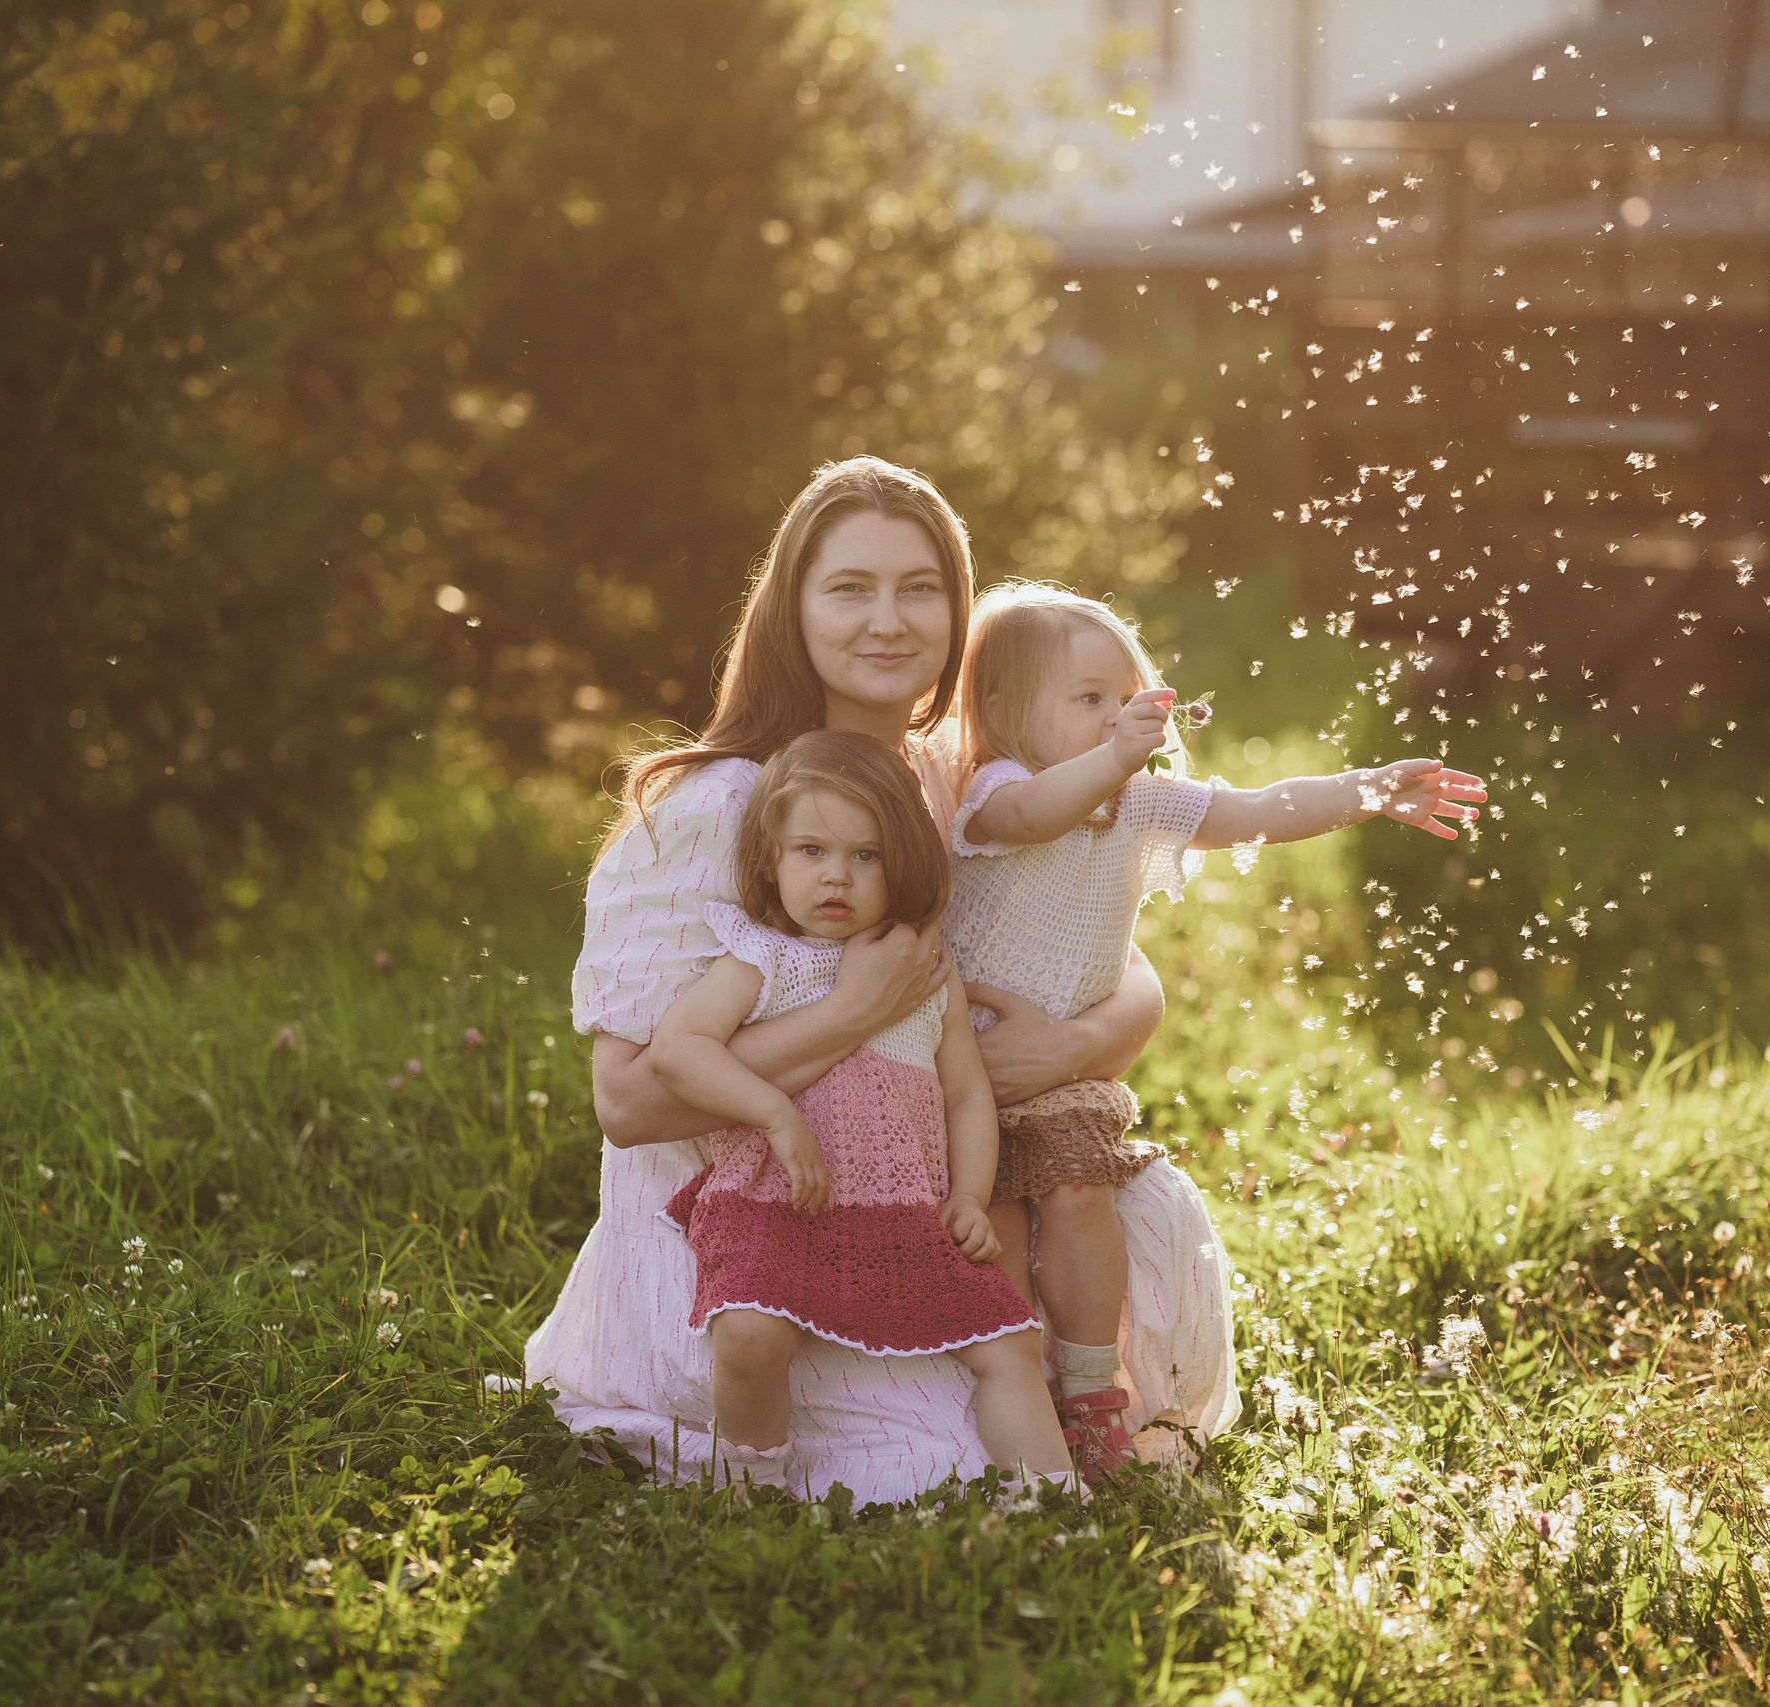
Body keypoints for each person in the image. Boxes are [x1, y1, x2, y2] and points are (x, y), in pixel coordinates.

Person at [523, 457, 1237, 1504]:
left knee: (1145, 1233)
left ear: (957, 606)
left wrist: (1078, 1047)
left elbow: (1115, 969)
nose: (887, 620)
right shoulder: (705, 805)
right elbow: (626, 1102)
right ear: (790, 610)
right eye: (849, 588)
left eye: (920, 588)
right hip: (745, 1222)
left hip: (921, 1191)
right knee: (934, 1466)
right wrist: (851, 1015)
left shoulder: (951, 773)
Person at [945, 581, 1486, 1479]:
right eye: (1088, 701)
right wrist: (1113, 755)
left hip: (1063, 1077)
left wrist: (1368, 789)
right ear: (1002, 711)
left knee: (1080, 1198)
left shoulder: (1143, 800)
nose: (1117, 718)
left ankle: (1088, 1389)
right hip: (964, 1072)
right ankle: (1015, 1382)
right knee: (993, 1222)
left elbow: (1260, 810)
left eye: (1128, 699)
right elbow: (1039, 813)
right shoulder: (995, 791)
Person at [650, 731, 1070, 1493]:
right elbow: (678, 1049)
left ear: (900, 863)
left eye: (864, 855)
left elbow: (967, 1092)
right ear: (771, 858)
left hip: (905, 1211)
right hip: (774, 1204)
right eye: (810, 850)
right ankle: (752, 1487)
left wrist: (970, 1194)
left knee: (1009, 1343)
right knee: (748, 1333)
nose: (835, 875)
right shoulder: (763, 957)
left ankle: (1051, 1497)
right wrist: (773, 1111)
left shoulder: (923, 971)